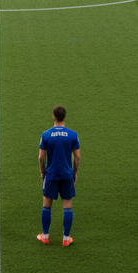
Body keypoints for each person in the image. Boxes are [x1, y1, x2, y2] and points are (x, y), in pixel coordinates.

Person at [37, 105, 80, 246]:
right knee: (67, 206)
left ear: (53, 116)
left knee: (46, 205)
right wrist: (74, 172)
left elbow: (41, 158)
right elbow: (77, 157)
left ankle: (45, 236)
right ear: (64, 116)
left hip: (51, 174)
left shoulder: (46, 135)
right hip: (67, 174)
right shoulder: (73, 135)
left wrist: (43, 172)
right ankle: (66, 239)